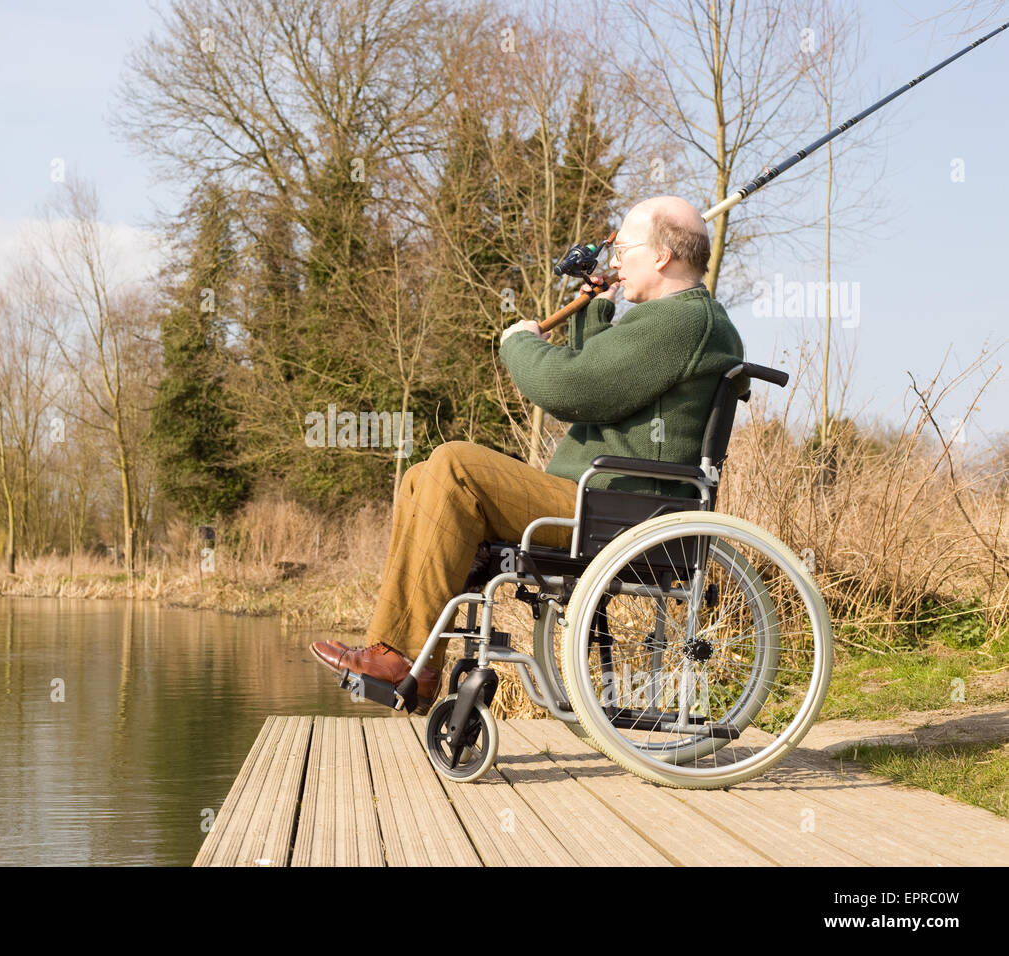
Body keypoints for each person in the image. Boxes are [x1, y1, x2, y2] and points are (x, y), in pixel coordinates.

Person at [309, 195, 746, 715]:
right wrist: (596, 306)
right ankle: (414, 664)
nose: (614, 260)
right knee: (421, 476)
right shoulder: (676, 321)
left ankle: (402, 658)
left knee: (454, 464)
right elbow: (607, 376)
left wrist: (520, 343)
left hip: (613, 510)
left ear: (660, 257)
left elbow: (574, 386)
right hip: (602, 502)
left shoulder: (679, 321)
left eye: (621, 247)